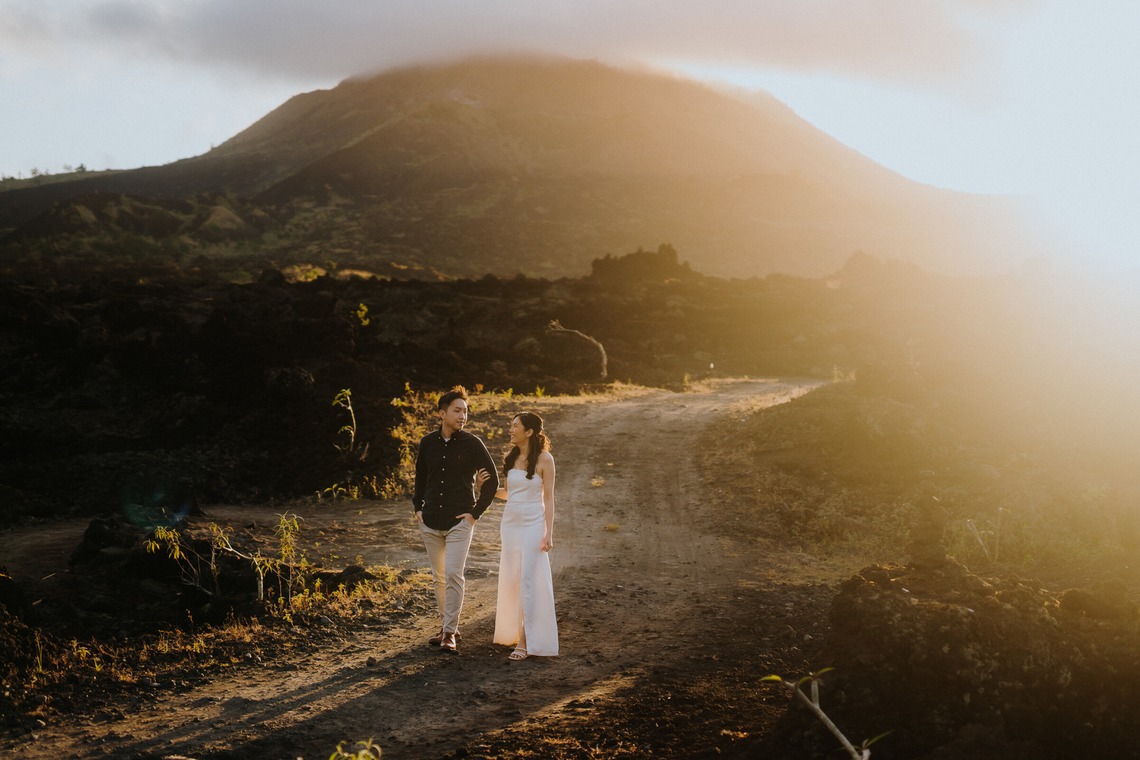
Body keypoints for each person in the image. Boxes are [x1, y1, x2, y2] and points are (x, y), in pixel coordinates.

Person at [412, 386, 499, 654]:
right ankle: (446, 625)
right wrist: (417, 508)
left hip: (460, 521)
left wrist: (474, 514)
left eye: (466, 411)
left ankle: (450, 632)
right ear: (442, 413)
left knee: (453, 574)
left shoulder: (473, 444)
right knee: (439, 577)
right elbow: (420, 477)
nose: (463, 416)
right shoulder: (428, 442)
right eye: (457, 410)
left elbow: (493, 482)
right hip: (429, 521)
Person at [477, 411, 559, 660]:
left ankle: (525, 642)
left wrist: (548, 533)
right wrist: (485, 489)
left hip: (533, 526)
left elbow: (549, 498)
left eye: (515, 426)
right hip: (510, 526)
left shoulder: (545, 459)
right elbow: (509, 493)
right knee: (513, 579)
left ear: (529, 432)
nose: (510, 430)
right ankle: (513, 633)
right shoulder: (511, 457)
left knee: (530, 581)